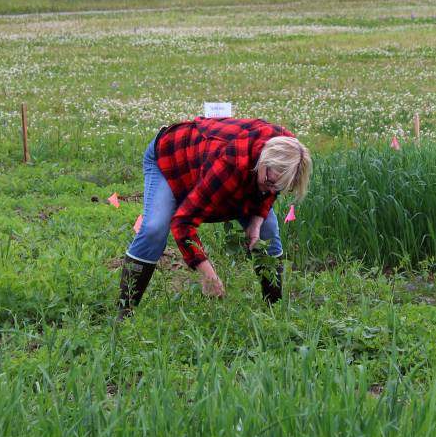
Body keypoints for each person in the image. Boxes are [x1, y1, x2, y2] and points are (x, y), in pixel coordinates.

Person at [117, 117, 311, 318]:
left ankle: (275, 311)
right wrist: (206, 272)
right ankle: (124, 312)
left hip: (211, 165)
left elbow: (273, 187)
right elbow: (183, 222)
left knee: (267, 231)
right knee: (154, 229)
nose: (270, 191)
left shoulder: (290, 155)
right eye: (269, 182)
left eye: (278, 188)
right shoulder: (230, 164)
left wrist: (257, 219)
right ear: (264, 160)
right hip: (171, 157)